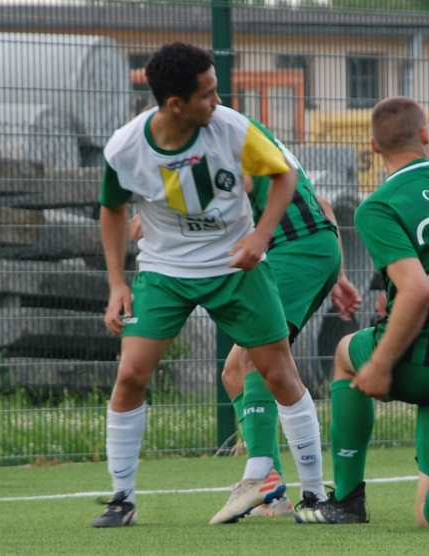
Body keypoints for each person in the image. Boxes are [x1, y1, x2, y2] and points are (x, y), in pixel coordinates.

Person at [92, 42, 327, 528]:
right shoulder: (124, 147)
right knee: (131, 374)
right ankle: (122, 499)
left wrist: (261, 237)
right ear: (174, 104)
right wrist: (118, 282)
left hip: (235, 271)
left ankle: (315, 495)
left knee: (279, 374)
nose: (217, 102)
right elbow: (112, 209)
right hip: (165, 273)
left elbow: (283, 176)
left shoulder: (232, 129)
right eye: (207, 94)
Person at [295, 97, 429, 532]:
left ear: (374, 148)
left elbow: (417, 291)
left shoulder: (379, 205)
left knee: (343, 354)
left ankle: (348, 500)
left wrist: (378, 364)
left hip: (416, 359)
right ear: (426, 134)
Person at [128, 125, 362, 523]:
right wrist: (335, 271)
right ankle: (272, 493)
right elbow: (321, 202)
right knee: (235, 371)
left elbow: (223, 197)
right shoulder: (253, 134)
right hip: (313, 247)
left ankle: (278, 483)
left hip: (295, 250)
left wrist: (161, 218)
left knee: (256, 361)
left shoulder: (215, 141)